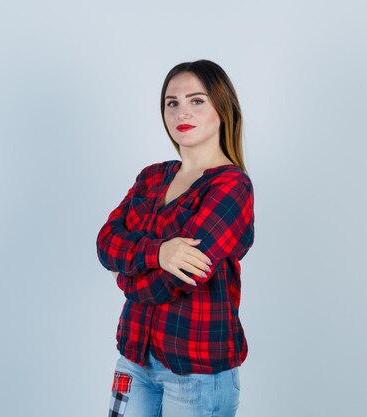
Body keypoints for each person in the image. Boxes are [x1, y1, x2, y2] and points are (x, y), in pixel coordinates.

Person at [96, 59, 255, 417]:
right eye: (173, 102)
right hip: (134, 358)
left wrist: (127, 274)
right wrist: (158, 253)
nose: (182, 111)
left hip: (197, 372)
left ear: (222, 107)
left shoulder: (231, 186)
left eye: (197, 100)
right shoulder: (151, 177)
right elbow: (105, 243)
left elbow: (176, 280)